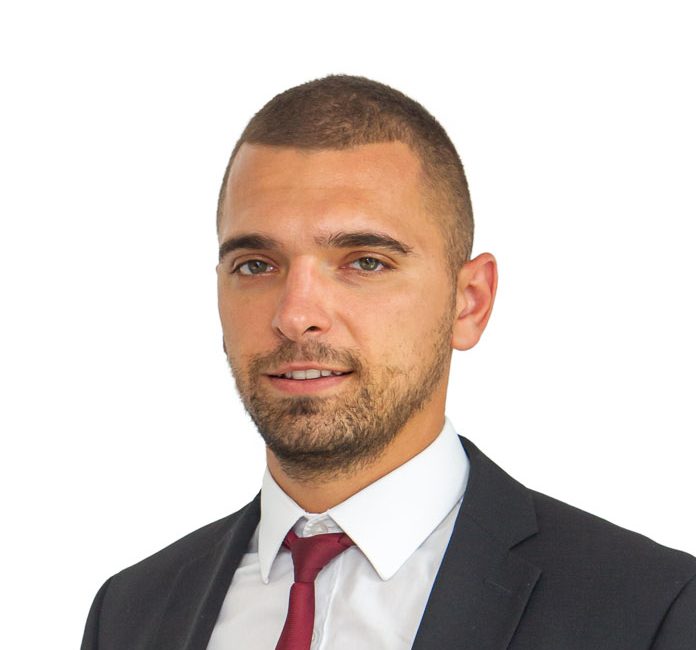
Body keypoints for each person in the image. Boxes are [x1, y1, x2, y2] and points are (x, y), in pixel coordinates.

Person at [81, 75, 696, 650]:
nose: (296, 315)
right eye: (256, 265)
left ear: (469, 303)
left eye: (365, 262)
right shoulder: (129, 613)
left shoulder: (650, 611)